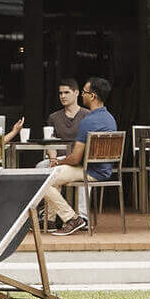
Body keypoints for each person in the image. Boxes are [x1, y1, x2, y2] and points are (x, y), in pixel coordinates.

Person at [39, 77, 119, 235]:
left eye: (84, 92)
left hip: (88, 171)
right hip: (103, 170)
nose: (83, 95)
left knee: (43, 179)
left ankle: (71, 218)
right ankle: (53, 219)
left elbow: (75, 158)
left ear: (93, 96)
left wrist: (58, 162)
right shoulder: (110, 119)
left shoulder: (88, 121)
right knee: (51, 176)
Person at [45, 77, 85, 147]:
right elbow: (49, 144)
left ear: (76, 93)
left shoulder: (88, 115)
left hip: (80, 156)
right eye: (60, 93)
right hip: (59, 157)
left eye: (66, 92)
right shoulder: (53, 117)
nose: (63, 96)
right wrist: (53, 158)